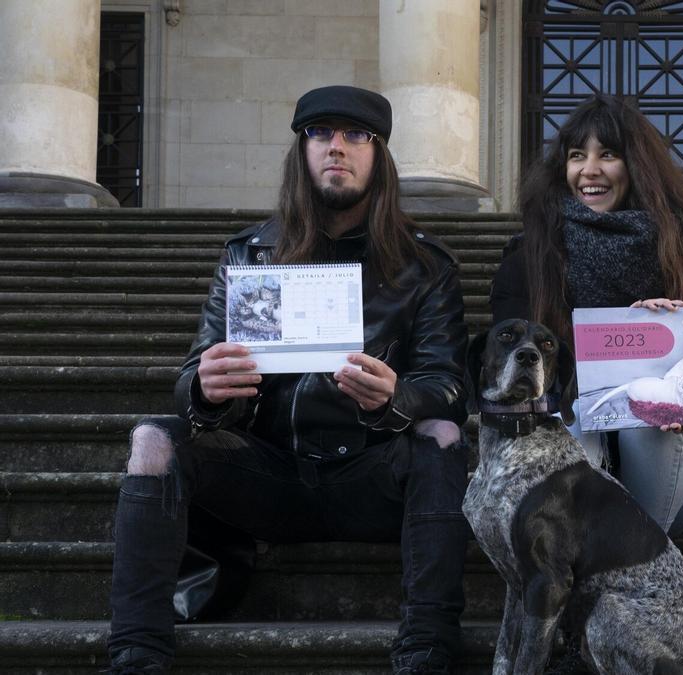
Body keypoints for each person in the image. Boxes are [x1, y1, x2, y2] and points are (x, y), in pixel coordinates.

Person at [106, 86, 470, 675]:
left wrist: (393, 398)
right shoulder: (250, 255)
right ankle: (136, 654)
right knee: (153, 439)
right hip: (270, 471)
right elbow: (193, 372)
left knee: (444, 438)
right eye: (321, 133)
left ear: (380, 156)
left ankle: (427, 647)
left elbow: (449, 385)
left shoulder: (424, 267)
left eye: (357, 136)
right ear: (301, 151)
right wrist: (205, 387)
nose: (337, 148)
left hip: (372, 475)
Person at [489, 94, 683, 537]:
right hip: (575, 437)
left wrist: (674, 324)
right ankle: (608, 572)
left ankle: (628, 565)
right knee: (571, 419)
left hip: (668, 460)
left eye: (608, 155)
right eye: (577, 156)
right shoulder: (528, 259)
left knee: (650, 420)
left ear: (637, 166)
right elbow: (512, 368)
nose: (590, 170)